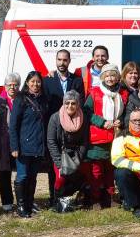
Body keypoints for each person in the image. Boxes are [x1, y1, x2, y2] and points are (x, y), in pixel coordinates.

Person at [82, 64, 129, 208]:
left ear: (117, 77)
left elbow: (124, 112)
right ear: (102, 77)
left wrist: (120, 120)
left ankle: (109, 198)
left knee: (110, 169)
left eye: (113, 75)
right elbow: (86, 112)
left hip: (116, 137)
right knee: (96, 171)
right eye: (107, 75)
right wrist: (102, 122)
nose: (110, 78)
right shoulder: (95, 92)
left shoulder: (122, 93)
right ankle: (95, 199)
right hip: (98, 137)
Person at [43, 49, 85, 207]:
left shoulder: (77, 80)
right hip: (54, 125)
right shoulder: (48, 80)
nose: (62, 63)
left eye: (65, 60)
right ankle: (53, 198)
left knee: (72, 167)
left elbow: (79, 102)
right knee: (54, 166)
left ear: (69, 61)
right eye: (59, 60)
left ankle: (67, 197)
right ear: (56, 60)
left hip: (74, 126)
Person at [9, 71, 49, 218]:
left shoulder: (44, 99)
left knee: (33, 176)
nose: (35, 84)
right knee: (22, 176)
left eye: (38, 81)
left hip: (38, 145)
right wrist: (14, 147)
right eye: (32, 81)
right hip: (23, 146)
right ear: (27, 83)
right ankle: (20, 206)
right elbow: (13, 125)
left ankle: (29, 203)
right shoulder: (21, 99)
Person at [47, 90, 89, 213]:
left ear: (78, 104)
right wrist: (59, 163)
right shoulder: (55, 118)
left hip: (76, 154)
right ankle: (56, 201)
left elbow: (84, 141)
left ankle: (74, 199)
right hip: (60, 154)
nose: (70, 106)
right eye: (67, 103)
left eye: (73, 103)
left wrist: (78, 159)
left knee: (81, 177)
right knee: (61, 178)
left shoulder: (83, 118)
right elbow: (51, 141)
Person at [0, 73, 20, 212]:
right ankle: (7, 203)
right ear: (5, 86)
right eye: (10, 85)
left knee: (21, 173)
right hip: (2, 142)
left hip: (19, 142)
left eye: (15, 84)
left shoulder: (23, 100)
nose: (12, 87)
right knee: (4, 173)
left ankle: (22, 200)